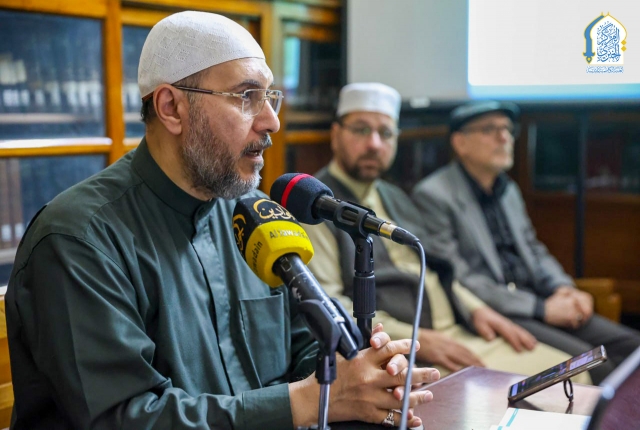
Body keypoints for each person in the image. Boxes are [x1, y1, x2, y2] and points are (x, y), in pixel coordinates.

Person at [5, 13, 438, 430]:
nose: (272, 121)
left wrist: (358, 373)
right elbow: (125, 417)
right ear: (172, 107)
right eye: (246, 97)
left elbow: (304, 343)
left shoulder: (255, 215)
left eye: (270, 97)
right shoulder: (79, 240)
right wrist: (309, 400)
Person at [305, 83, 589, 381]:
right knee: (567, 382)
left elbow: (436, 268)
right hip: (399, 350)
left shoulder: (393, 195)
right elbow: (329, 304)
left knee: (573, 372)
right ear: (335, 135)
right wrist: (419, 339)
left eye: (386, 133)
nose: (374, 144)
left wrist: (478, 310)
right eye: (361, 130)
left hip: (458, 330)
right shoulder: (318, 206)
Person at [411, 100, 640, 384]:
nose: (504, 137)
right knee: (594, 365)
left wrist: (564, 288)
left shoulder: (508, 190)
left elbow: (534, 249)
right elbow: (457, 277)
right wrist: (540, 309)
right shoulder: (433, 195)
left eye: (508, 129)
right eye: (490, 129)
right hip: (501, 311)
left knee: (633, 348)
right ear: (460, 143)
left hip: (540, 298)